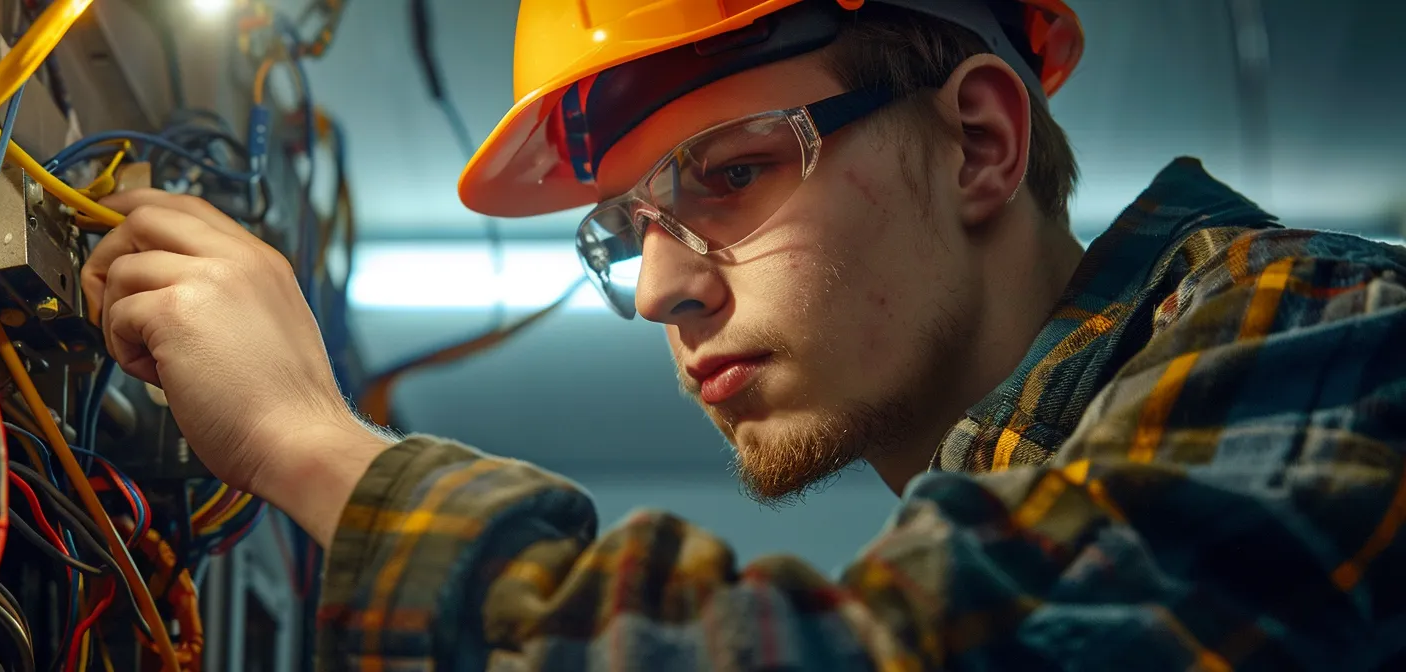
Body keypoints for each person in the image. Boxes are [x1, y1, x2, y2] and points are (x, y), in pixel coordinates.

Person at [83, 0, 1406, 668]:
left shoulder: (1331, 342)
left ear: (981, 142)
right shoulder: (1012, 507)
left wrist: (313, 447)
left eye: (728, 177)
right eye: (624, 230)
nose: (658, 290)